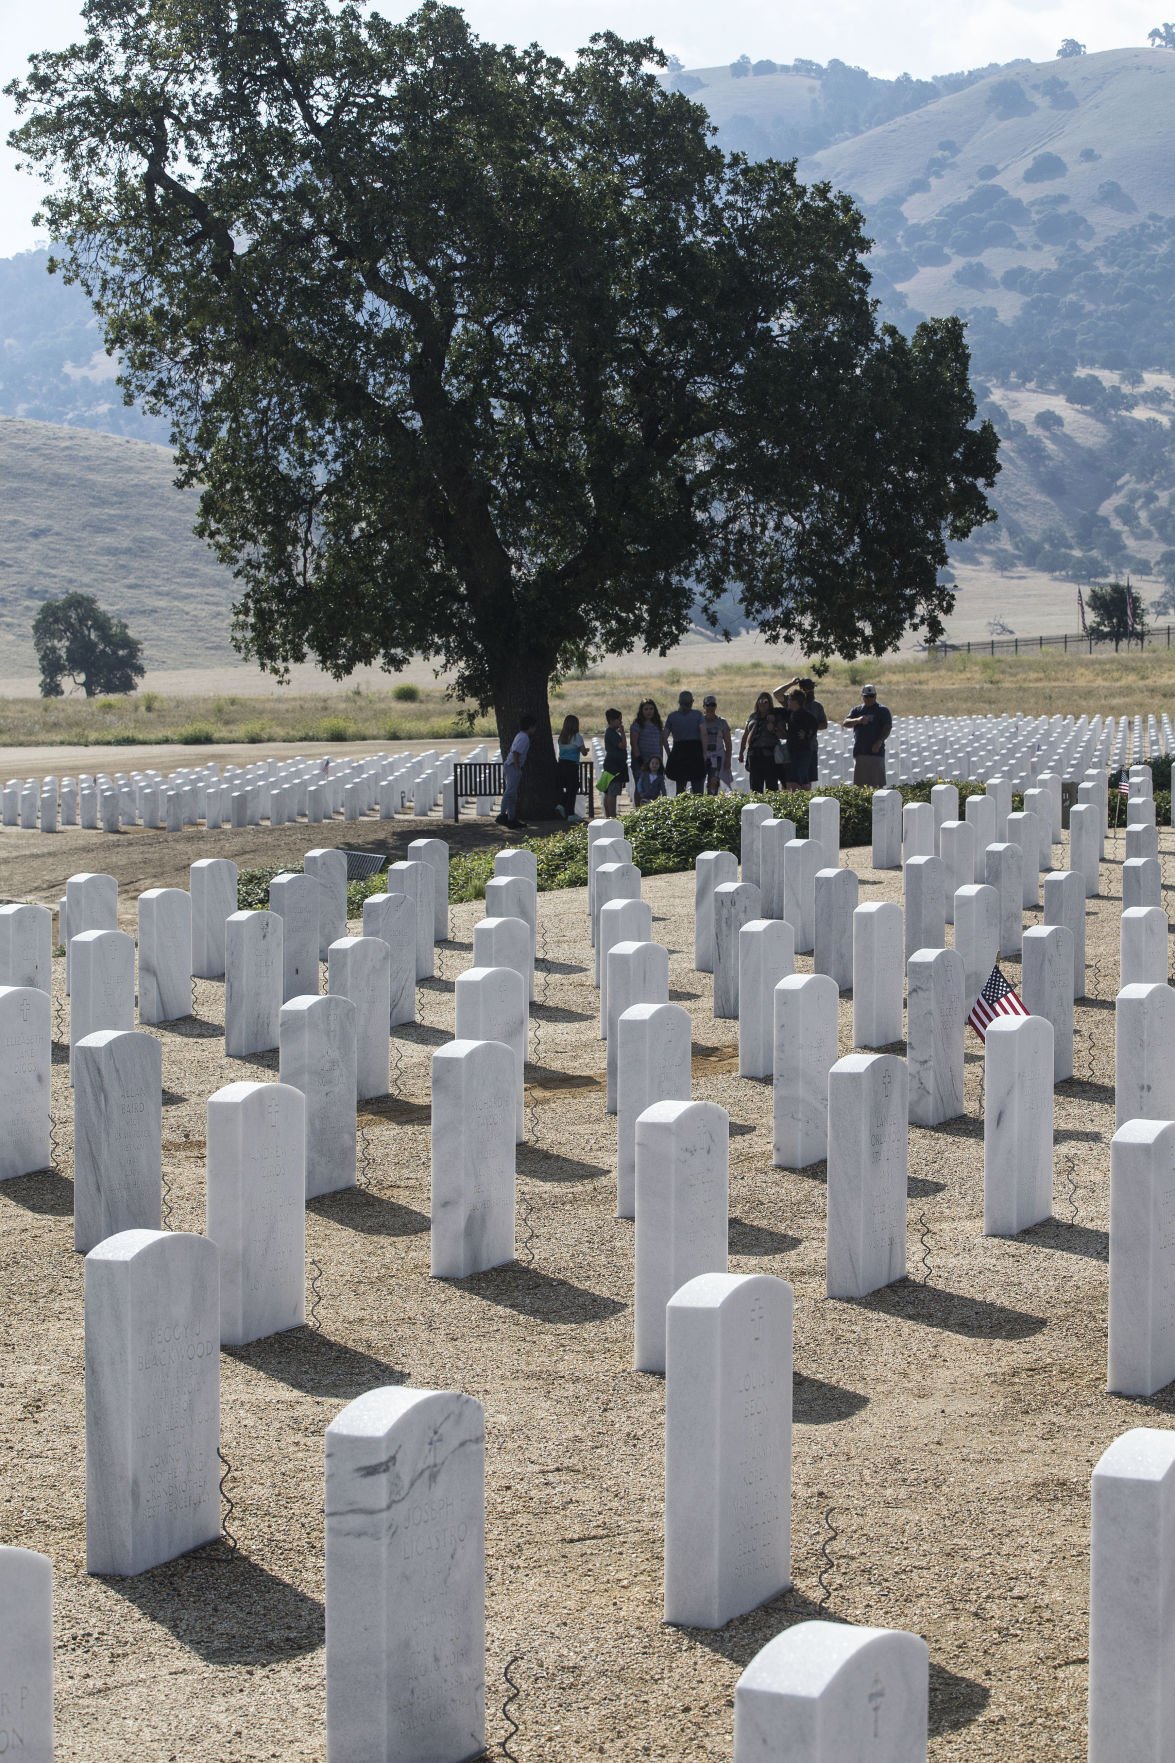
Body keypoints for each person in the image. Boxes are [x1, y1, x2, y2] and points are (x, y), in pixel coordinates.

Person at [774, 675, 827, 788]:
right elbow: (777, 694)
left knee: (806, 780)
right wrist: (791, 684)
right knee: (791, 780)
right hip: (792, 747)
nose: (810, 691)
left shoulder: (816, 706)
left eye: (811, 688)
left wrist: (807, 728)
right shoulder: (792, 701)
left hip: (810, 746)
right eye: (807, 688)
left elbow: (824, 724)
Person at [842, 683, 892, 787]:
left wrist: (879, 742)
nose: (869, 699)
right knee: (860, 785)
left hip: (876, 752)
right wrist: (858, 720)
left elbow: (887, 727)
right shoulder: (857, 710)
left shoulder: (882, 710)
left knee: (876, 784)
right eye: (866, 696)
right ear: (862, 696)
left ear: (875, 696)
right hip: (861, 752)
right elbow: (845, 723)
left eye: (871, 696)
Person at [497, 711, 537, 828]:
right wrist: (517, 767)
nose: (535, 730)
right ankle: (502, 815)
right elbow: (516, 752)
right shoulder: (524, 738)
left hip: (511, 765)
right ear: (530, 727)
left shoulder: (520, 735)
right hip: (512, 766)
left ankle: (511, 818)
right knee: (510, 792)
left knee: (513, 794)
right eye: (534, 727)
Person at [664, 690, 707, 794]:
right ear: (692, 702)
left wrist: (669, 753)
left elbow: (663, 737)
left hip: (679, 751)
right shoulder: (698, 715)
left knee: (680, 788)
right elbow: (704, 735)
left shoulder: (672, 717)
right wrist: (705, 754)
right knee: (697, 788)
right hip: (695, 751)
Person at [738, 691, 782, 792]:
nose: (762, 703)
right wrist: (741, 752)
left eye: (765, 701)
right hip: (754, 755)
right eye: (760, 701)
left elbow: (783, 734)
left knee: (772, 786)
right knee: (755, 786)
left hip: (769, 755)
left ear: (769, 703)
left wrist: (774, 728)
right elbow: (745, 735)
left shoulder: (775, 716)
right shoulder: (752, 716)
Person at [779, 688, 817, 793]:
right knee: (792, 781)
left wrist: (806, 734)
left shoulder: (806, 715)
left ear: (795, 702)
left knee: (801, 782)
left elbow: (813, 727)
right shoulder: (790, 714)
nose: (788, 702)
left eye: (790, 700)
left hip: (802, 752)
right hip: (792, 750)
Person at [555, 713, 588, 820]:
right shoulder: (577, 737)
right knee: (573, 788)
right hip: (572, 765)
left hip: (561, 764)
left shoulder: (562, 737)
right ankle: (570, 813)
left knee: (569, 788)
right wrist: (585, 750)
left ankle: (562, 805)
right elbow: (584, 753)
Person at [600, 707, 629, 819]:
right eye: (619, 720)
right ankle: (612, 816)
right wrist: (622, 733)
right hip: (615, 767)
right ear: (612, 720)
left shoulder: (610, 732)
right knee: (612, 792)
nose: (621, 722)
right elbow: (622, 745)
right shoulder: (612, 733)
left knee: (607, 792)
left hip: (610, 765)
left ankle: (609, 816)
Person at [700, 693, 732, 795]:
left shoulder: (722, 722)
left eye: (713, 705)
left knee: (714, 781)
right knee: (699, 781)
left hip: (717, 757)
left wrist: (728, 759)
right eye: (708, 705)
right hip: (702, 756)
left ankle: (712, 800)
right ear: (704, 706)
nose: (710, 708)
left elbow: (728, 742)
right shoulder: (699, 721)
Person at [629, 699, 666, 785]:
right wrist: (639, 760)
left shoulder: (657, 724)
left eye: (651, 709)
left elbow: (660, 744)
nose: (649, 711)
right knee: (640, 787)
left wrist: (660, 759)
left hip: (655, 761)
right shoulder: (637, 724)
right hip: (641, 760)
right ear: (641, 711)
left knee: (655, 786)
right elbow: (634, 743)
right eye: (646, 709)